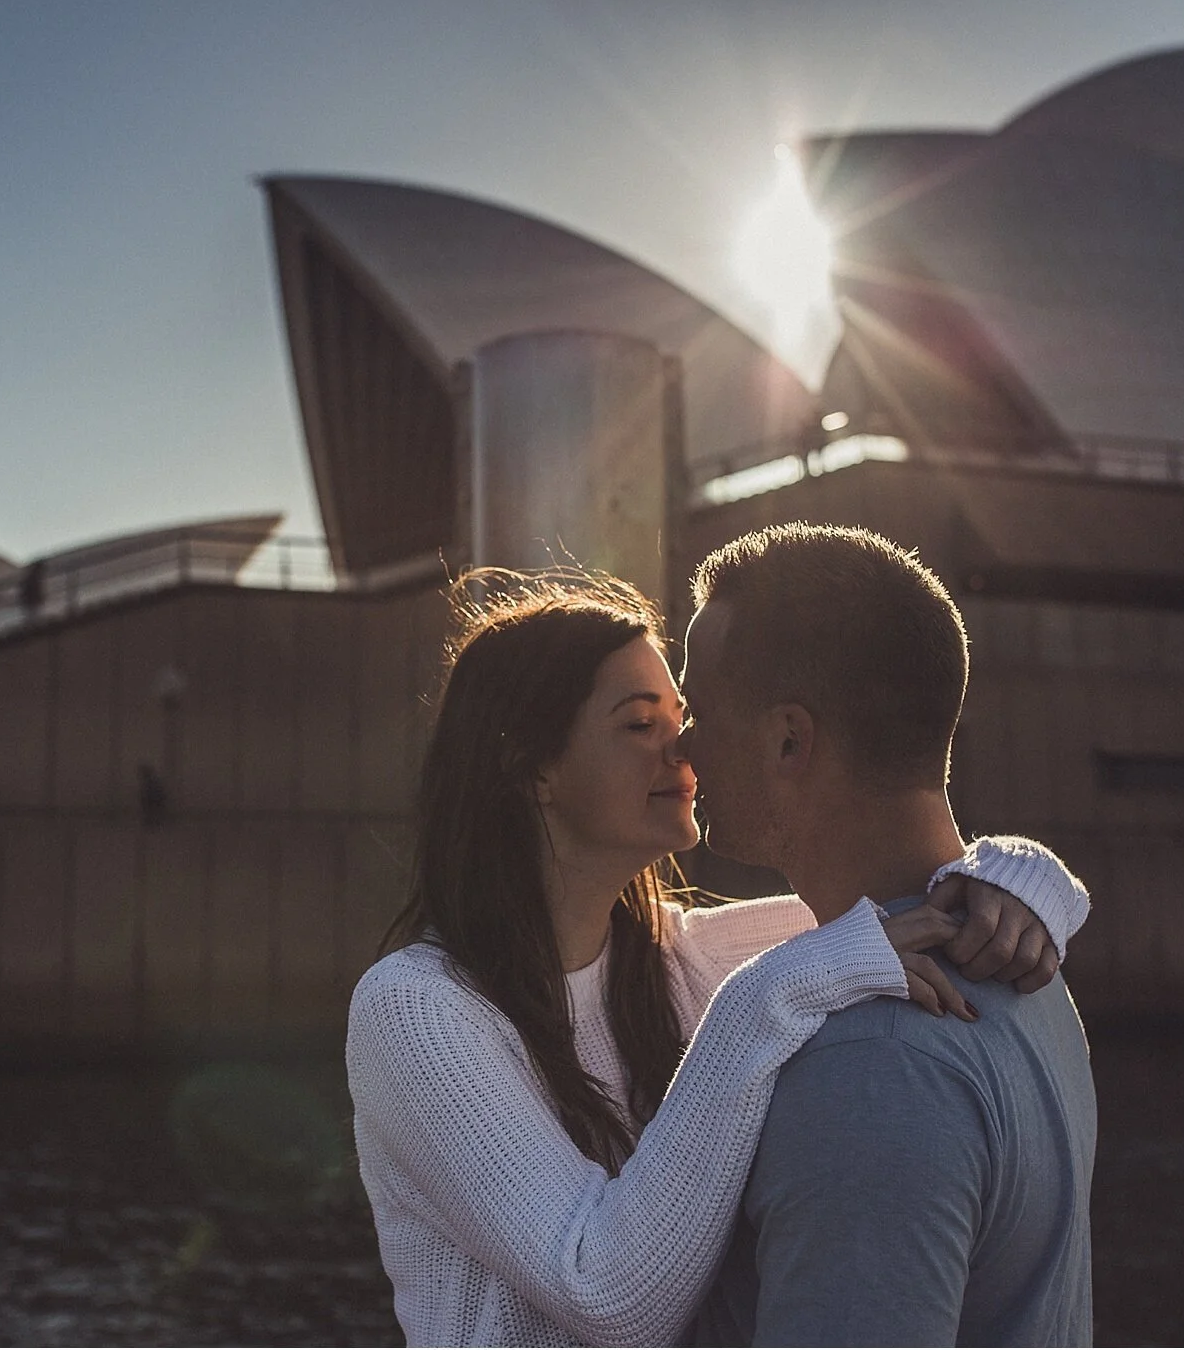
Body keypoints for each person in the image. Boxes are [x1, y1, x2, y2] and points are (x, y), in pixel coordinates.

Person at [346, 568, 1091, 1346]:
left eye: (685, 714)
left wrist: (1017, 878)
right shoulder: (419, 1009)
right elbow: (601, 1291)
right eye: (642, 724)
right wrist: (754, 1002)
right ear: (532, 766)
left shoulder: (686, 954)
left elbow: (905, 911)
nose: (685, 749)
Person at [682, 523, 1095, 1346]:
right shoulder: (1026, 973)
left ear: (788, 739)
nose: (681, 745)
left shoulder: (869, 1063)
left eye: (698, 709)